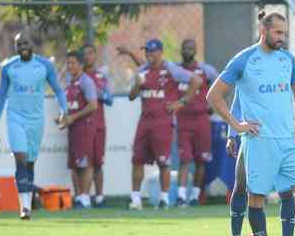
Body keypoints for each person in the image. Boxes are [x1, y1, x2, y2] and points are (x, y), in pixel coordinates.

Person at [207, 11, 295, 236]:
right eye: (278, 33)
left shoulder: (288, 60)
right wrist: (236, 125)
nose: (282, 38)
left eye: (284, 33)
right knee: (256, 198)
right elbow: (214, 95)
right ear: (263, 31)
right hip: (259, 141)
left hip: (287, 141)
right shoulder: (243, 60)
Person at [224, 60, 295, 236]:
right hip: (254, 140)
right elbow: (238, 103)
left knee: (287, 192)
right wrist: (232, 134)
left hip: (283, 140)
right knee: (241, 185)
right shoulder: (250, 67)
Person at [0, 31, 68, 220]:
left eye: (25, 43)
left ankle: (28, 203)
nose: (23, 46)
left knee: (30, 162)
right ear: (15, 47)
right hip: (15, 118)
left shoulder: (45, 66)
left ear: (32, 44)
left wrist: (63, 110)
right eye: (19, 44)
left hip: (36, 120)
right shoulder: (9, 67)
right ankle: (24, 207)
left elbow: (58, 89)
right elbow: (1, 96)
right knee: (21, 158)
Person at [128, 38, 201, 210]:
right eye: (146, 51)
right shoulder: (141, 71)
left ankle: (164, 198)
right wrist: (137, 86)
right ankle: (135, 200)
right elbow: (131, 96)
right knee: (137, 160)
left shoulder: (171, 69)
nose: (149, 55)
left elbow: (196, 81)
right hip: (144, 121)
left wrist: (180, 103)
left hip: (163, 122)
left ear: (160, 52)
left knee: (164, 162)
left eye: (152, 51)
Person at [175, 38, 219, 207]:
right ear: (181, 50)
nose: (187, 50)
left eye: (190, 48)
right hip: (183, 119)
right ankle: (180, 196)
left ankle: (194, 196)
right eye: (185, 48)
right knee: (184, 159)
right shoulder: (176, 71)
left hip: (201, 119)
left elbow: (222, 86)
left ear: (195, 50)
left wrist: (213, 104)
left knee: (201, 160)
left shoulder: (205, 70)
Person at [73, 44, 113, 208]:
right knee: (80, 163)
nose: (88, 57)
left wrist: (96, 92)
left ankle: (99, 197)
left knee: (98, 163)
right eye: (85, 54)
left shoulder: (101, 76)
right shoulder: (75, 77)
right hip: (80, 126)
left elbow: (110, 99)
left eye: (91, 53)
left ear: (95, 56)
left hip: (98, 125)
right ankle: (80, 197)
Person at [60, 50, 98, 209]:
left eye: (73, 63)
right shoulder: (70, 81)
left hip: (85, 127)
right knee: (75, 165)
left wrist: (73, 118)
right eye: (68, 63)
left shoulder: (86, 82)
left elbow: (93, 105)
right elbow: (70, 106)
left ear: (81, 64)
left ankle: (85, 197)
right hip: (73, 128)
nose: (70, 66)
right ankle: (79, 197)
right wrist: (63, 117)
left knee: (85, 164)